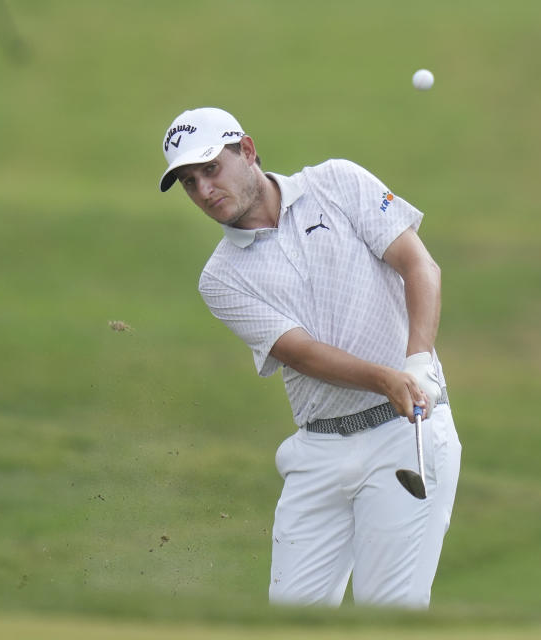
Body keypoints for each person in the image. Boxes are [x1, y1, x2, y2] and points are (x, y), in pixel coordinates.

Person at [157, 107, 462, 608]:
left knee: (387, 613)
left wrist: (418, 362)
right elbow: (301, 353)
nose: (204, 191)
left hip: (404, 437)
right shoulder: (221, 278)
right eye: (189, 183)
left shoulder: (337, 183)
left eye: (211, 169)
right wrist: (388, 378)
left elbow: (419, 264)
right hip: (318, 453)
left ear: (248, 151)